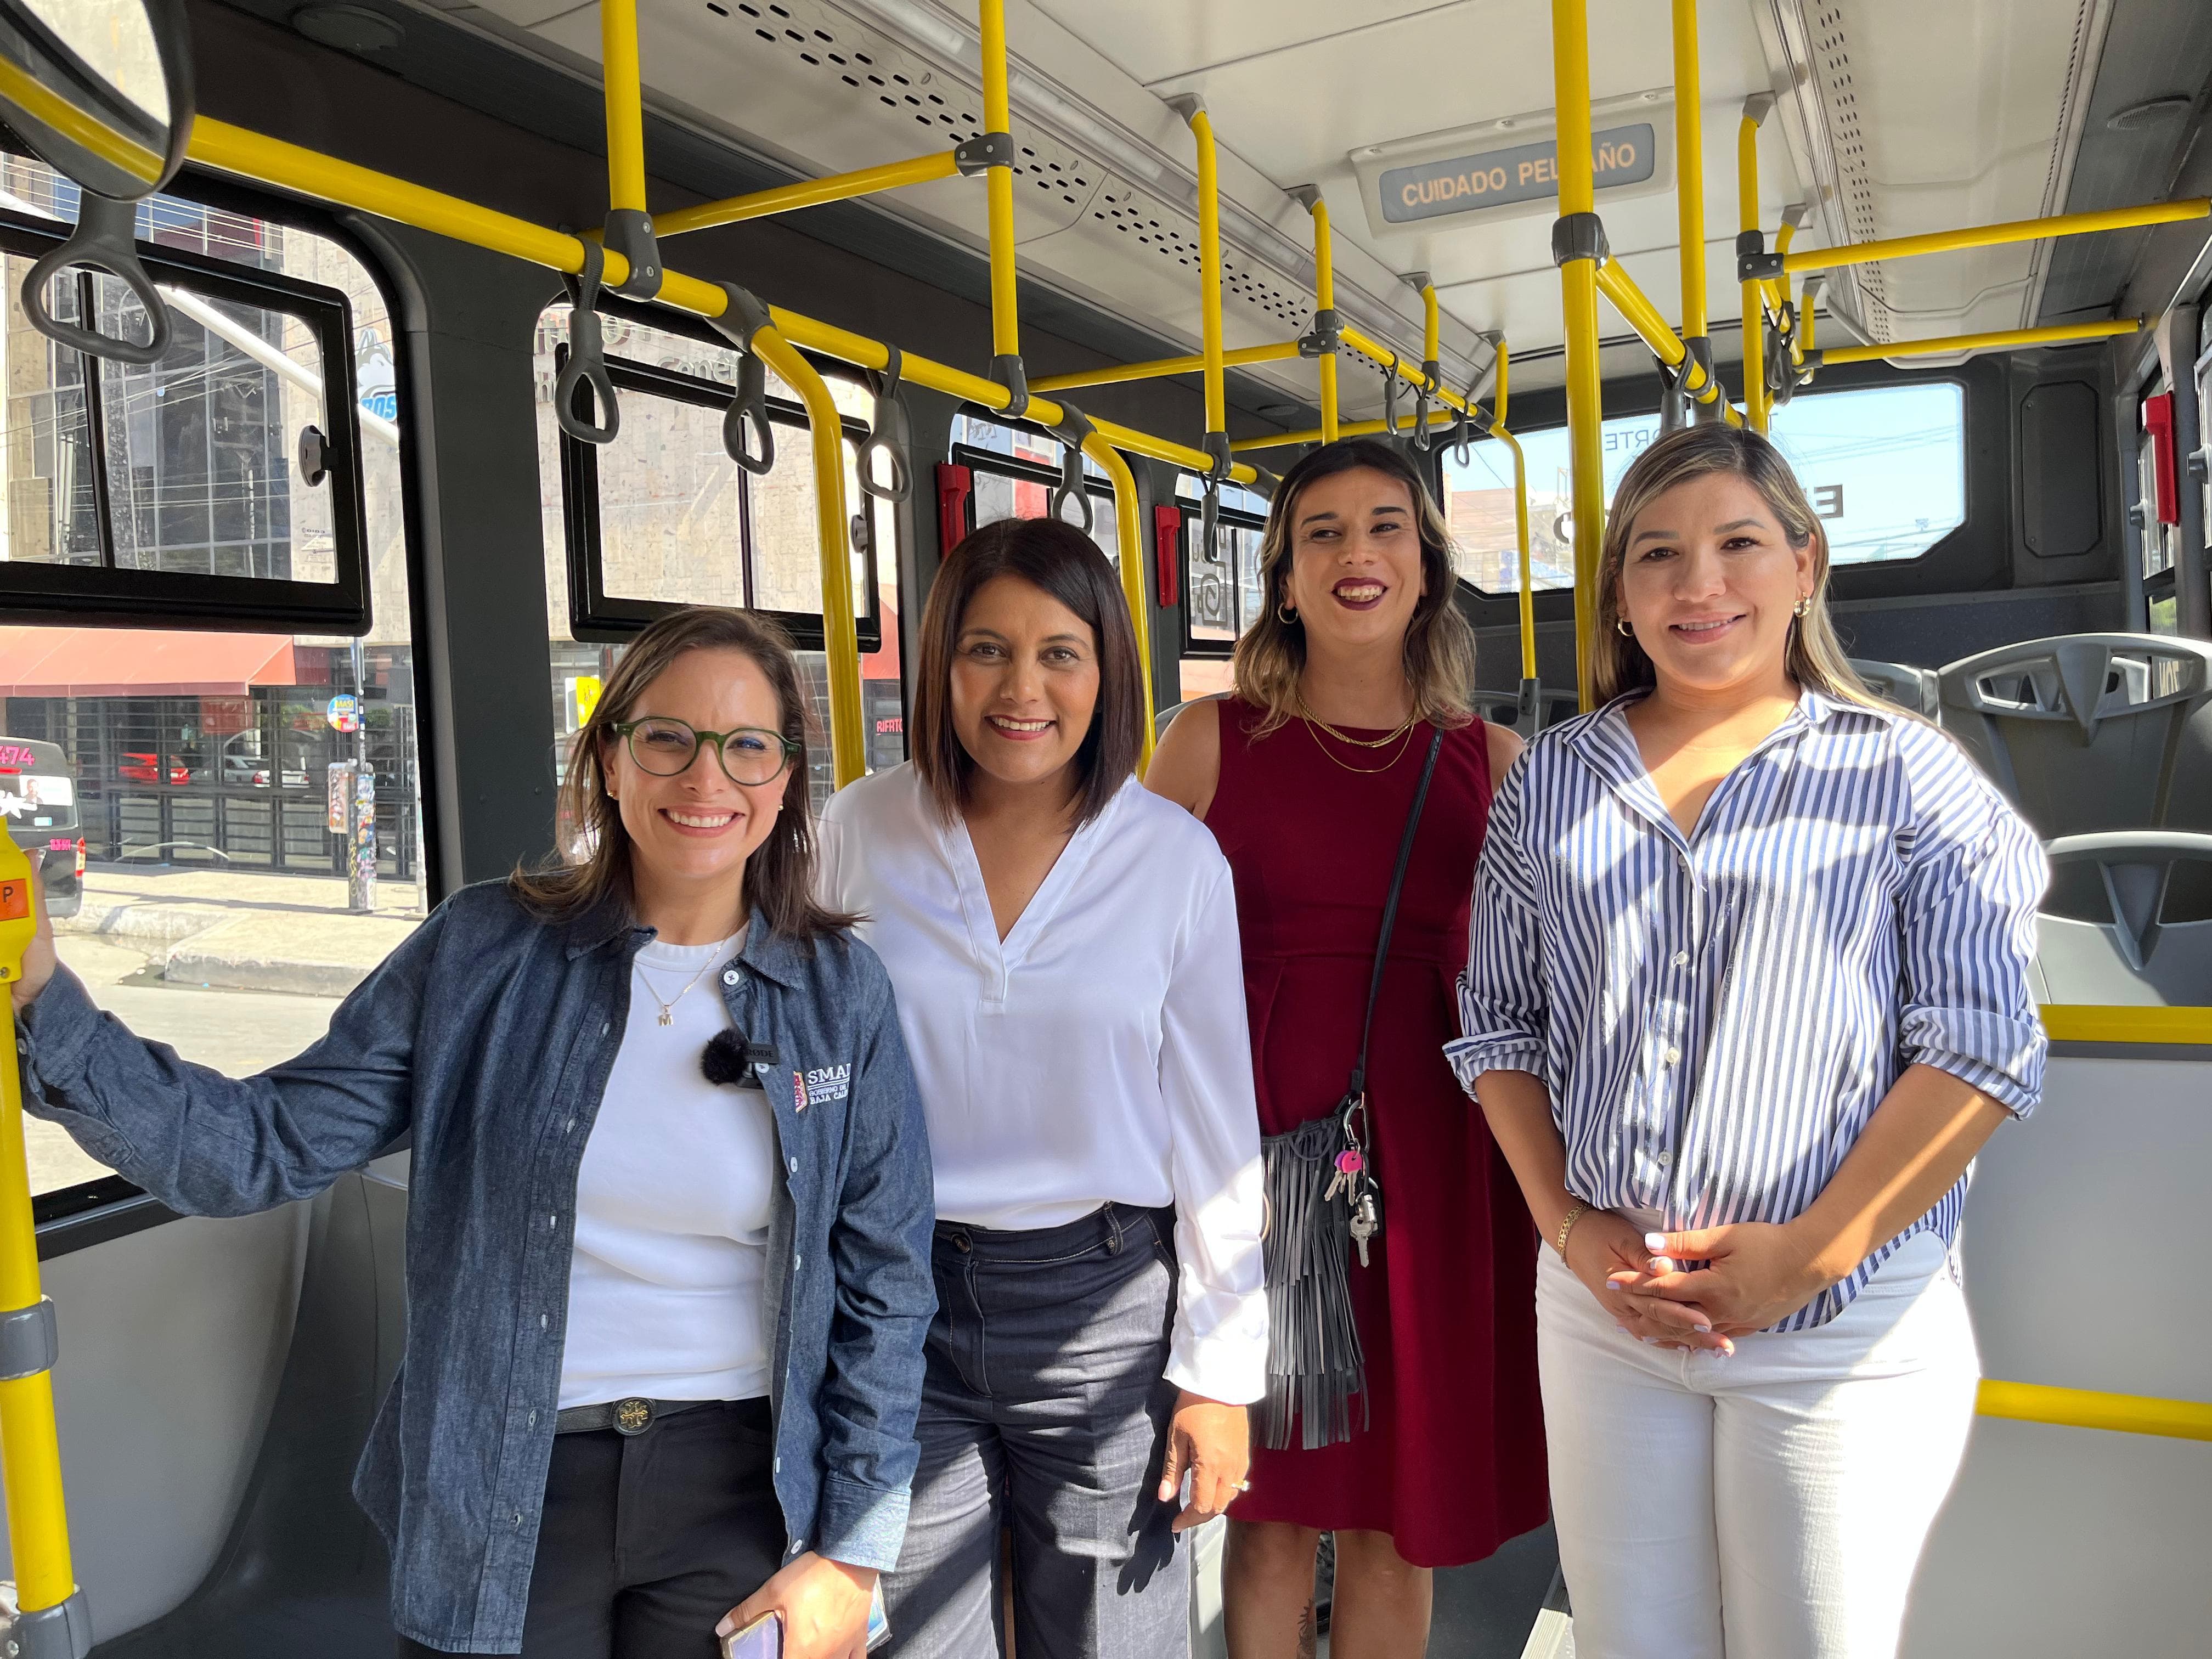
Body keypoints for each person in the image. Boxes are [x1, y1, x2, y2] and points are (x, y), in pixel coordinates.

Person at [12, 607, 938, 1659]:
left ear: (785, 782)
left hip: (748, 1490)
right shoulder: (483, 952)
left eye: (747, 747)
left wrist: (853, 1554)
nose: (706, 779)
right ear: (611, 759)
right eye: (668, 738)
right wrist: (45, 996)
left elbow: (887, 1282)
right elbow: (255, 1147)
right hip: (502, 1479)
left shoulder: (838, 995)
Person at [1451, 424, 2047, 1659]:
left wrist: (1806, 1258)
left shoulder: (1906, 778)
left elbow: (1979, 1050)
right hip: (1608, 1315)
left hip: (1838, 1324)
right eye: (1657, 555)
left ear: (1806, 570)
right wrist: (1571, 1227)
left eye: (1737, 545)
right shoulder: (1550, 781)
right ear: (1619, 591)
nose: (1698, 586)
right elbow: (1496, 1025)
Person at [819, 516, 1267, 1659]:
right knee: (916, 1641)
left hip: (1103, 1303)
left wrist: (1218, 1377)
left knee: (1113, 1642)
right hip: (893, 1305)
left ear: (1108, 669)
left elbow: (1218, 1131)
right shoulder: (861, 826)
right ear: (939, 664)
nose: (1023, 688)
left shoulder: (1171, 858)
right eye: (986, 650)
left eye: (1060, 652)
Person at [1147, 436, 1548, 1659]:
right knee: (1264, 1510)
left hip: (1429, 1180)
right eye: (1322, 532)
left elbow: (1550, 982)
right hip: (1250, 1172)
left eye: (1386, 527)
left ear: (1427, 567)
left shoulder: (1497, 766)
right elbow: (1132, 964)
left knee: (1392, 1520)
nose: (1356, 554)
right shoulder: (1205, 741)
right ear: (1282, 575)